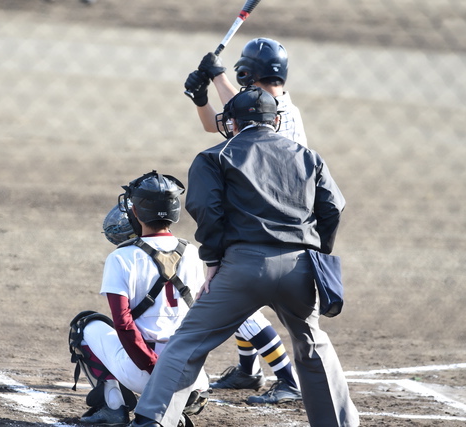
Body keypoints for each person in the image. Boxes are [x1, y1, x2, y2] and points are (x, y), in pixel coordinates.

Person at [129, 87, 359, 427]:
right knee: (312, 345)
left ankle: (153, 420)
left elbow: (206, 208)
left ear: (232, 123)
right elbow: (332, 208)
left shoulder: (215, 156)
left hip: (243, 267)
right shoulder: (309, 157)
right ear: (276, 121)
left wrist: (213, 259)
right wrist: (317, 252)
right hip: (300, 268)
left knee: (188, 343)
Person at [182, 37, 306, 404]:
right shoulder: (264, 108)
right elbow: (217, 125)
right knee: (242, 297)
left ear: (246, 74)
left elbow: (242, 106)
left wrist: (216, 74)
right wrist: (201, 96)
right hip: (271, 215)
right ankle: (247, 370)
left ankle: (287, 379)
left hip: (270, 222)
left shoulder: (278, 110)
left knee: (234, 293)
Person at [68, 171, 209, 426]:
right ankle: (184, 400)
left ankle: (113, 406)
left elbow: (123, 324)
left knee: (85, 326)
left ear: (136, 212)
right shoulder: (193, 253)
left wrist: (155, 368)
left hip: (144, 372)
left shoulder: (121, 257)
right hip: (189, 372)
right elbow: (202, 316)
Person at [185, 37, 307, 147]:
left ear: (246, 72)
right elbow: (212, 125)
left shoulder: (277, 113)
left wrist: (217, 75)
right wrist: (201, 100)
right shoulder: (288, 111)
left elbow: (246, 108)